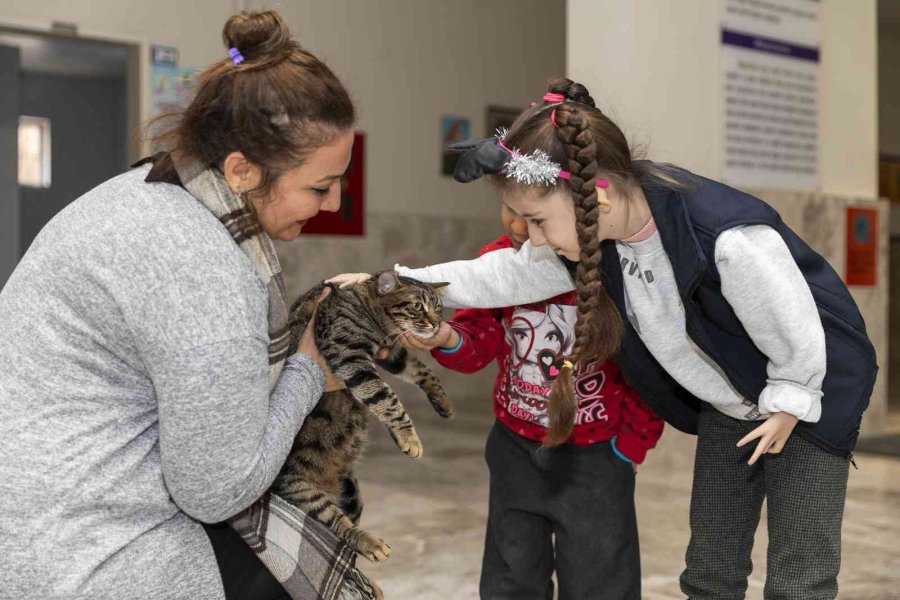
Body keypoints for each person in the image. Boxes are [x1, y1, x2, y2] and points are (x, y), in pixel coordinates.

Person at [331, 78, 878, 600]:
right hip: (728, 404)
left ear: (597, 195)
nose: (534, 238)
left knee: (799, 576)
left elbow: (797, 328)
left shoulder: (726, 237)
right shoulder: (596, 237)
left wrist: (788, 402)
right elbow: (502, 276)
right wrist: (399, 282)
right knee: (712, 569)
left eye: (539, 221)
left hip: (809, 398)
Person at [0, 11, 357, 600]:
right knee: (312, 554)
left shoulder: (144, 191)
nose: (335, 202)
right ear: (241, 169)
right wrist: (309, 369)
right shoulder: (201, 265)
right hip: (79, 558)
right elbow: (216, 490)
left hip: (31, 514)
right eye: (320, 187)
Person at [430, 203, 663, 599]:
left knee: (600, 582)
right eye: (509, 209)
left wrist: (629, 446)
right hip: (515, 449)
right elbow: (479, 341)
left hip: (596, 459)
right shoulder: (500, 259)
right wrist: (446, 338)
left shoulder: (618, 269)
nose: (519, 226)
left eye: (536, 217)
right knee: (511, 578)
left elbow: (652, 363)